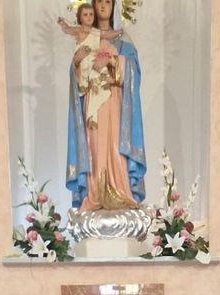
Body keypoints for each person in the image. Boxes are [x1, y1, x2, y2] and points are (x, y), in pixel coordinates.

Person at [65, 0, 146, 211]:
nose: (103, 6)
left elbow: (134, 73)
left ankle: (119, 190)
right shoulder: (85, 39)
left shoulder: (122, 40)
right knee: (93, 146)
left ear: (115, 6)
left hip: (115, 102)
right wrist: (76, 64)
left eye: (108, 1)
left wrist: (111, 60)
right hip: (93, 103)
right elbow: (76, 75)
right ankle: (94, 194)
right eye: (98, 1)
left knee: (115, 146)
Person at [57, 3, 123, 130]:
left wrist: (118, 32)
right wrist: (62, 24)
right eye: (85, 15)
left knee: (98, 83)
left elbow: (106, 35)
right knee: (93, 86)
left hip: (112, 99)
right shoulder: (79, 30)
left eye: (108, 1)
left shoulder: (98, 33)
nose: (89, 17)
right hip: (86, 66)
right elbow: (68, 30)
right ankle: (92, 116)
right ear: (80, 18)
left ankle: (93, 116)